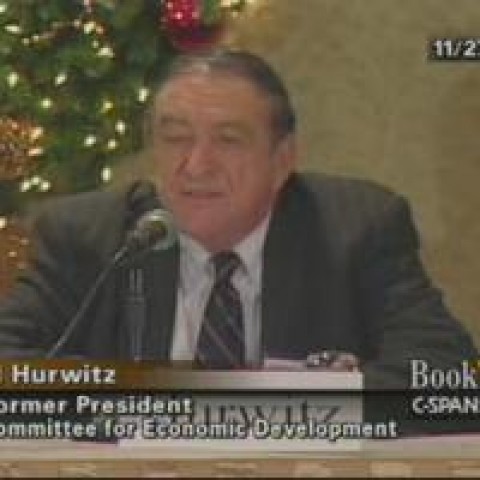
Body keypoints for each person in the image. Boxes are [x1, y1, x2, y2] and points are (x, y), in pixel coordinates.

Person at [0, 50, 476, 388]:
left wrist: (275, 406)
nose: (196, 166)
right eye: (175, 138)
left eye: (228, 140)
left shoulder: (354, 228)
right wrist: (145, 403)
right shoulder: (90, 236)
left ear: (282, 160)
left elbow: (445, 373)